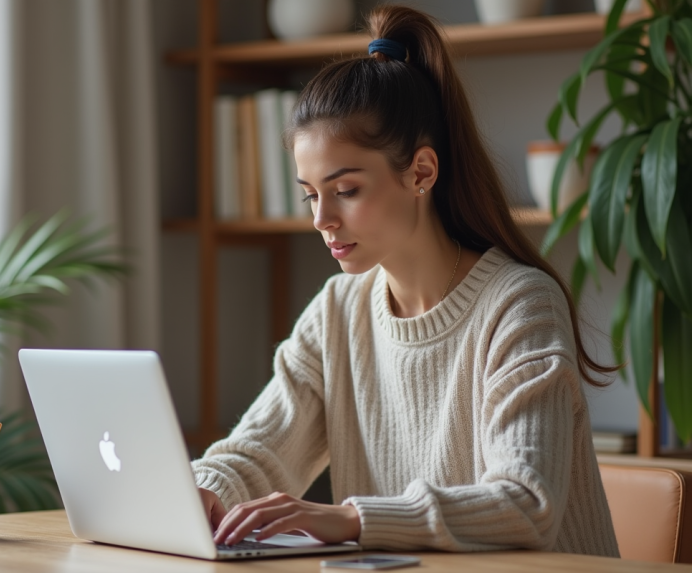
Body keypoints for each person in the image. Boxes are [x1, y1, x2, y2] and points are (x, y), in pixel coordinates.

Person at [193, 4, 619, 556]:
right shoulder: (338, 310)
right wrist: (201, 490)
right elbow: (261, 452)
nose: (321, 219)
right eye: (310, 194)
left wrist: (347, 519)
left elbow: (524, 503)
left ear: (421, 171)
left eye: (345, 190)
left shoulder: (518, 305)